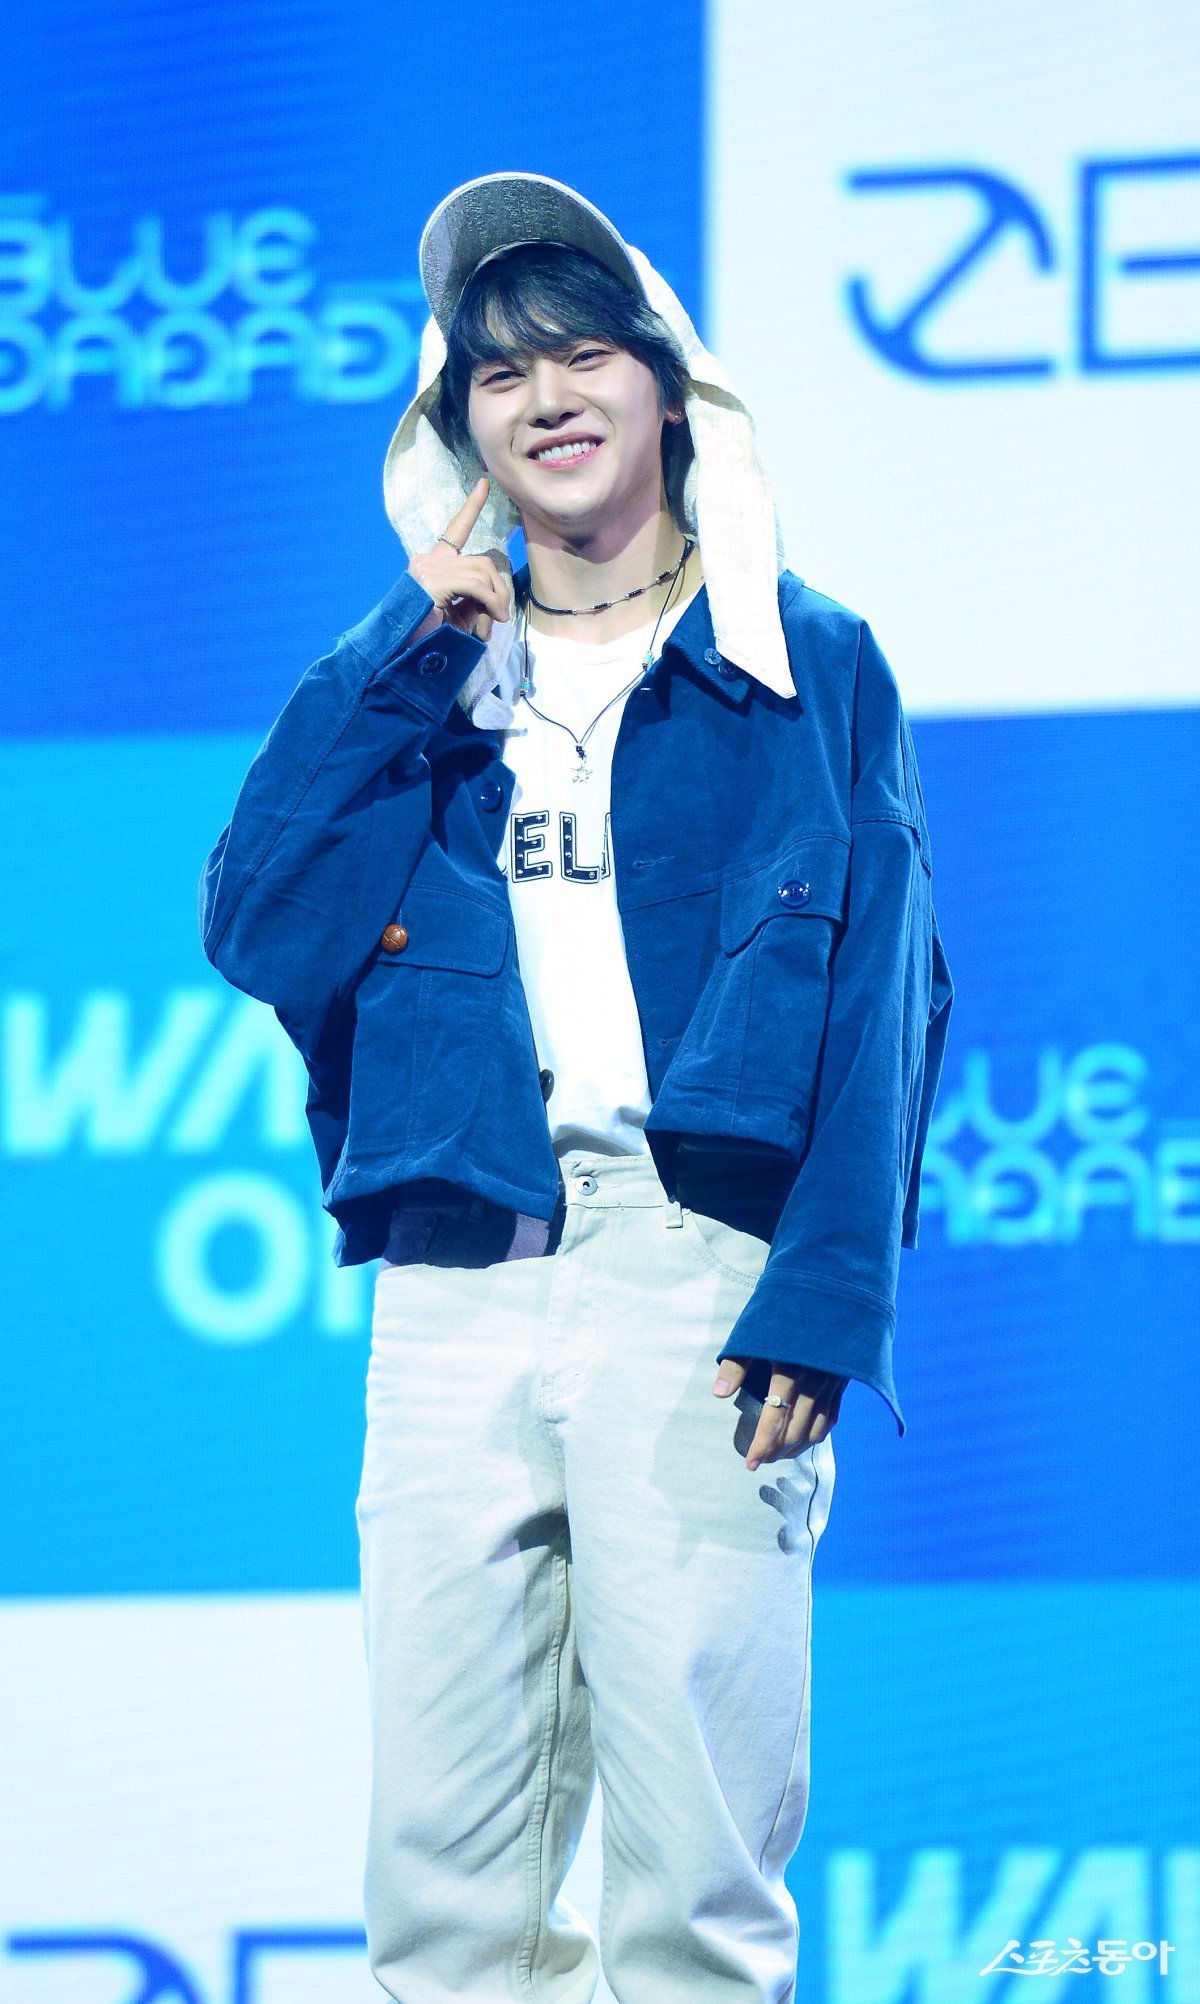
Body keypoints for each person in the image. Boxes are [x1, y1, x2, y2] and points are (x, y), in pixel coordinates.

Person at [199, 172, 954, 2004]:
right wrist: (410, 652)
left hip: (697, 1276)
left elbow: (888, 998)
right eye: (497, 372)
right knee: (441, 1896)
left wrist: (823, 1299)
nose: (545, 395)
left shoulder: (805, 661)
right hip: (455, 1281)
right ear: (457, 432)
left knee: (692, 1886)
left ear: (670, 391)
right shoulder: (422, 682)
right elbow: (259, 926)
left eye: (584, 353)